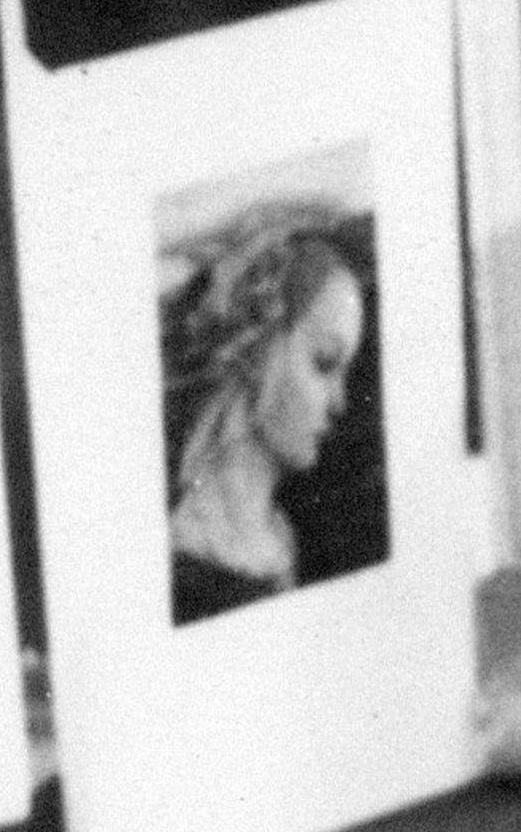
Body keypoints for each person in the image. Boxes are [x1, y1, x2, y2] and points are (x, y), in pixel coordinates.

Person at [159, 207, 373, 619]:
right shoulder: (181, 555)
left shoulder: (285, 540)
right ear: (259, 352)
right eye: (324, 363)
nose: (341, 402)